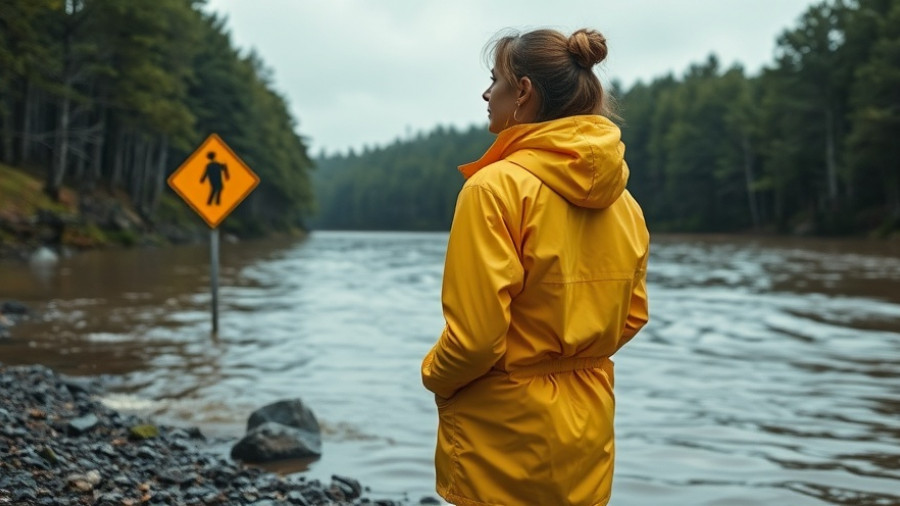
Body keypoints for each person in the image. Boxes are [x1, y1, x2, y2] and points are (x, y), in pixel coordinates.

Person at [421, 27, 650, 506]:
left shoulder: (492, 189)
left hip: (502, 436)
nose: (487, 94)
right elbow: (631, 318)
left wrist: (434, 376)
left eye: (495, 80)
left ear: (523, 92)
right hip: (587, 427)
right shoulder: (625, 204)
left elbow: (474, 340)